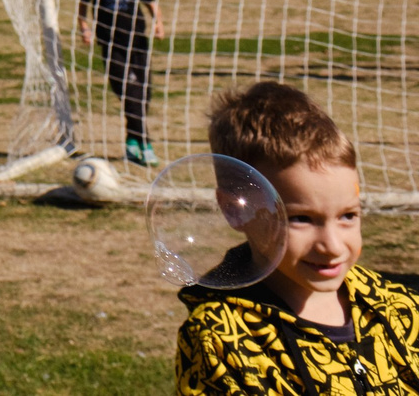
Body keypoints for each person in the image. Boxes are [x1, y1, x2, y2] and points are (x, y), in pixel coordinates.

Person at [175, 82, 419, 393]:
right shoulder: (221, 339)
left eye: (348, 216)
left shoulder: (395, 305)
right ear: (237, 210)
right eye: (301, 219)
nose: (331, 246)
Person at [77, 0, 166, 167]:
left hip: (138, 43)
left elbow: (151, 2)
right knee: (127, 90)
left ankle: (131, 141)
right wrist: (84, 29)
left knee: (144, 92)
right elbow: (82, 8)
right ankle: (145, 142)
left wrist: (159, 23)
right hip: (111, 46)